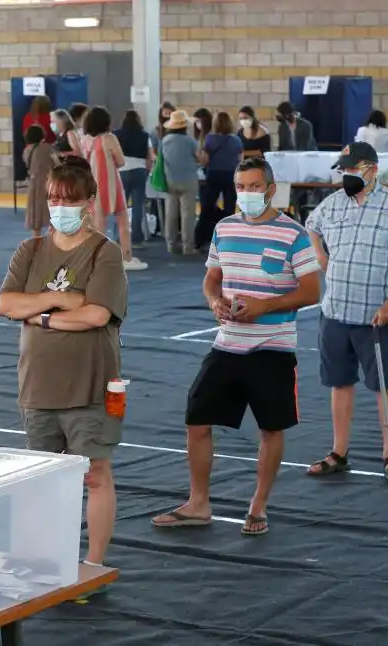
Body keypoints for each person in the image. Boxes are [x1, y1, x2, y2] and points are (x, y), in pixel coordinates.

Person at [151, 157, 321, 536]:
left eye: (254, 187)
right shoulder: (224, 227)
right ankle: (198, 503)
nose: (246, 194)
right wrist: (215, 301)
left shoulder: (293, 234)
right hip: (227, 343)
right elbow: (212, 279)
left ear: (271, 189)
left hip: (273, 347)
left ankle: (258, 506)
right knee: (197, 419)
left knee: (271, 428)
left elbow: (312, 291)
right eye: (241, 187)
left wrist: (266, 306)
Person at [0, 157, 128, 583]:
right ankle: (47, 556)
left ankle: (94, 561)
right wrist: (58, 301)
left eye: (69, 200)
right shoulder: (30, 250)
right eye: (54, 199)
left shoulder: (105, 253)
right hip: (38, 385)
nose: (60, 207)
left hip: (92, 385)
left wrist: (39, 315)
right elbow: (5, 304)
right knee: (43, 477)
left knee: (96, 473)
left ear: (89, 203)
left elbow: (96, 315)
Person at [304, 142, 388, 483]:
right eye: (343, 169)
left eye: (352, 168)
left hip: (375, 316)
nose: (346, 175)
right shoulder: (333, 203)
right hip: (335, 311)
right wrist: (320, 254)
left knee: (384, 386)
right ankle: (338, 452)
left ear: (371, 169)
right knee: (339, 383)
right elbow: (311, 225)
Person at [83, 106, 147, 271]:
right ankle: (126, 257)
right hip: (111, 183)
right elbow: (120, 161)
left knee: (98, 224)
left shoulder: (87, 140)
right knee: (122, 220)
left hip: (93, 184)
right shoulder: (109, 138)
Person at [197, 111, 243, 249]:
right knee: (229, 209)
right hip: (231, 176)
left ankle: (199, 238)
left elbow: (205, 160)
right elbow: (241, 161)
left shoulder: (210, 139)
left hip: (214, 175)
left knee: (207, 207)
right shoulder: (236, 140)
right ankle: (228, 241)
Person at [161, 110, 203, 255]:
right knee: (187, 215)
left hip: (170, 180)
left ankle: (171, 245)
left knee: (171, 214)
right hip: (188, 181)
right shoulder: (190, 141)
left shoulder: (165, 140)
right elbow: (200, 158)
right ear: (185, 126)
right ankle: (188, 247)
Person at [115, 110, 154, 249]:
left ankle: (119, 237)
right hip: (139, 171)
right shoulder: (145, 135)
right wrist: (147, 172)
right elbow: (150, 157)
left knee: (121, 207)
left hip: (122, 171)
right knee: (138, 206)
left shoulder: (116, 135)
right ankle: (137, 239)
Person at [23, 124, 59, 237]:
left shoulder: (27, 151)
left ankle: (37, 242)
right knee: (52, 215)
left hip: (33, 185)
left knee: (35, 216)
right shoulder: (47, 148)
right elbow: (57, 163)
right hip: (48, 183)